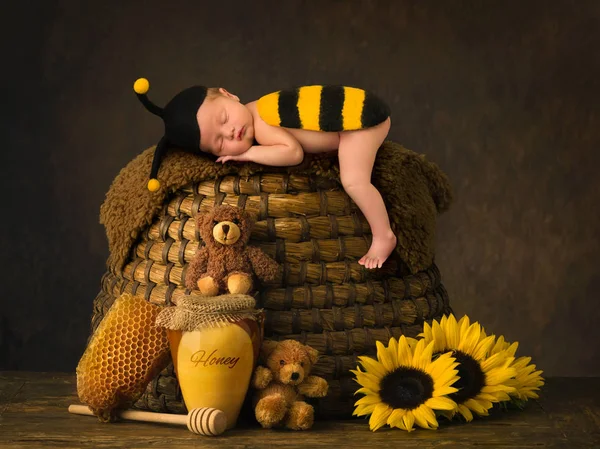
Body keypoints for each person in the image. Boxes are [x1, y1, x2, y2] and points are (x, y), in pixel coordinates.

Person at [134, 80, 397, 269]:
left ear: (229, 94)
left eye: (224, 118)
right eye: (219, 142)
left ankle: (383, 234)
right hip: (351, 119)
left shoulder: (261, 119)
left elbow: (293, 153)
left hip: (358, 123)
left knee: (353, 180)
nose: (230, 132)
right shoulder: (256, 111)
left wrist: (247, 155)